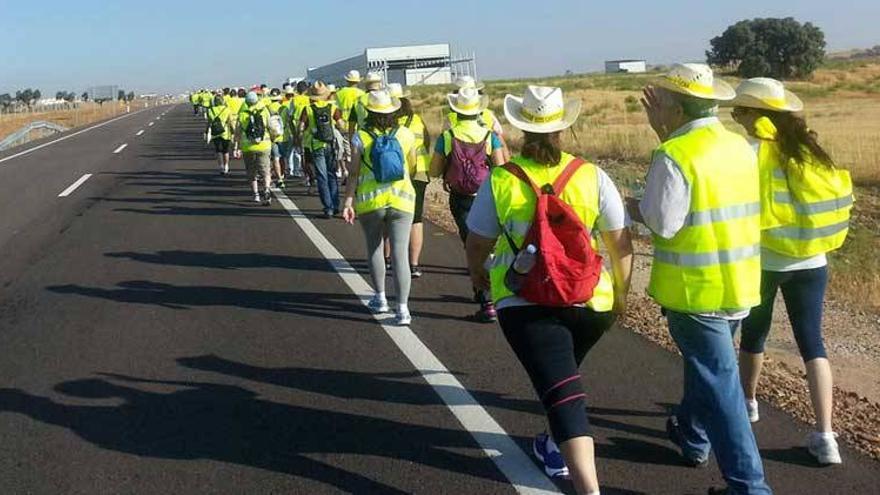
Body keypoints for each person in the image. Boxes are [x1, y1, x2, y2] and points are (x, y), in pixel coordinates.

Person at [465, 85, 633, 494]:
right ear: (563, 128)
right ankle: (550, 444)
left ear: (521, 128)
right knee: (560, 378)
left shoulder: (503, 179)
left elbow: (478, 241)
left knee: (563, 393)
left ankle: (587, 488)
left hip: (527, 303)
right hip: (590, 301)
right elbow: (620, 243)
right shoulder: (592, 176)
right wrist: (622, 298)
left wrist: (478, 277)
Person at [629, 64, 772, 494]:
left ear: (673, 108)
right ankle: (692, 435)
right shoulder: (740, 146)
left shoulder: (675, 153)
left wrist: (629, 205)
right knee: (709, 370)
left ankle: (750, 486)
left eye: (661, 105)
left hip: (695, 290)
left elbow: (663, 222)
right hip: (740, 282)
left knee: (721, 385)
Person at [729, 78, 853, 465]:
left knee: (754, 334)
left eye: (739, 111)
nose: (734, 117)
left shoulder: (749, 151)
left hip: (766, 261)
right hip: (813, 261)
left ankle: (749, 404)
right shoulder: (811, 150)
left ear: (756, 114)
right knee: (813, 344)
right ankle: (826, 435)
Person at [342, 89, 418, 326]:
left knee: (374, 248)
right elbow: (413, 166)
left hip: (370, 202)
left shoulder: (360, 137)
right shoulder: (406, 134)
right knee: (399, 253)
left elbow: (353, 172)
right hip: (402, 200)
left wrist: (348, 201)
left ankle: (380, 297)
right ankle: (403, 309)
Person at [429, 87, 504, 322]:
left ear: (456, 110)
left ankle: (485, 299)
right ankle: (495, 292)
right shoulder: (489, 134)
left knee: (471, 245)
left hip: (460, 196)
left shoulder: (448, 137)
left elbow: (434, 170)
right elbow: (501, 168)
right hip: (487, 195)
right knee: (489, 245)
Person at [389, 83, 431, 279]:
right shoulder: (417, 120)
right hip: (419, 173)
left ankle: (389, 260)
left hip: (395, 173)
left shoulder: (387, 122)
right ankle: (414, 264)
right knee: (416, 218)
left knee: (391, 217)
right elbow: (427, 143)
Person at [298, 81, 347, 218]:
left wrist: (301, 137)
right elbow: (341, 125)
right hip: (330, 144)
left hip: (315, 145)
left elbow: (301, 127)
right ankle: (336, 204)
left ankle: (328, 207)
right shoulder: (332, 108)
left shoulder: (307, 109)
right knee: (332, 174)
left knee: (321, 176)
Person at [446, 76, 511, 162]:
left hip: (457, 169)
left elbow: (445, 147)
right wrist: (508, 166)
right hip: (484, 168)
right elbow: (500, 142)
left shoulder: (450, 118)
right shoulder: (488, 115)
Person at [233, 91, 273, 206]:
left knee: (251, 172)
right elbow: (270, 126)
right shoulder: (264, 111)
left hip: (247, 147)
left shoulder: (242, 114)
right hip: (264, 145)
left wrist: (236, 147)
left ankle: (256, 194)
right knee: (265, 170)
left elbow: (237, 132)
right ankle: (266, 189)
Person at [206, 94, 234, 175]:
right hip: (225, 132)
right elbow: (230, 122)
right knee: (226, 150)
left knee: (218, 150)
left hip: (215, 132)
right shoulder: (227, 109)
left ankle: (221, 166)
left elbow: (209, 122)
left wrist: (207, 131)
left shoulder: (210, 110)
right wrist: (233, 132)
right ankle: (226, 166)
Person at [267, 88, 287, 189]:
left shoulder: (267, 108)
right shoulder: (284, 108)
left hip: (272, 137)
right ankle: (282, 175)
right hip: (284, 136)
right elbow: (288, 122)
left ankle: (279, 178)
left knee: (275, 158)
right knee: (283, 158)